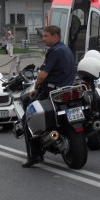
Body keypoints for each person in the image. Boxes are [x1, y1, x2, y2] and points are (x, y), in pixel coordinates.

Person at [22, 25, 75, 168]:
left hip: (52, 91)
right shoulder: (67, 50)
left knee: (27, 117)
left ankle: (34, 155)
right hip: (67, 90)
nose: (43, 39)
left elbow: (42, 75)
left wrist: (36, 87)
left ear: (55, 36)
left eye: (46, 36)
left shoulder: (54, 51)